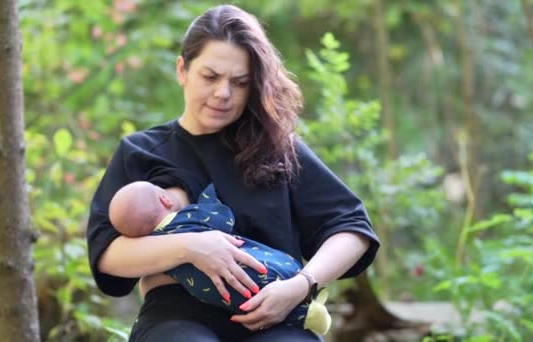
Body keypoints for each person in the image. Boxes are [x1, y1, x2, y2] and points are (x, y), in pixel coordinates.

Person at [86, 4, 380, 341]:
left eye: (239, 83)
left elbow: (352, 228)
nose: (223, 94)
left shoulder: (278, 149)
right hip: (176, 319)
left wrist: (301, 285)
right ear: (182, 70)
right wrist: (192, 247)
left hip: (275, 317)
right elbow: (108, 253)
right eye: (210, 77)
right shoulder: (141, 151)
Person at [108, 181, 331, 335]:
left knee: (246, 301)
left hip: (211, 293)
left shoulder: (155, 246)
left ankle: (305, 313)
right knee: (264, 273)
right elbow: (221, 218)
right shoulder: (187, 219)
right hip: (246, 270)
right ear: (164, 199)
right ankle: (305, 306)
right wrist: (211, 195)